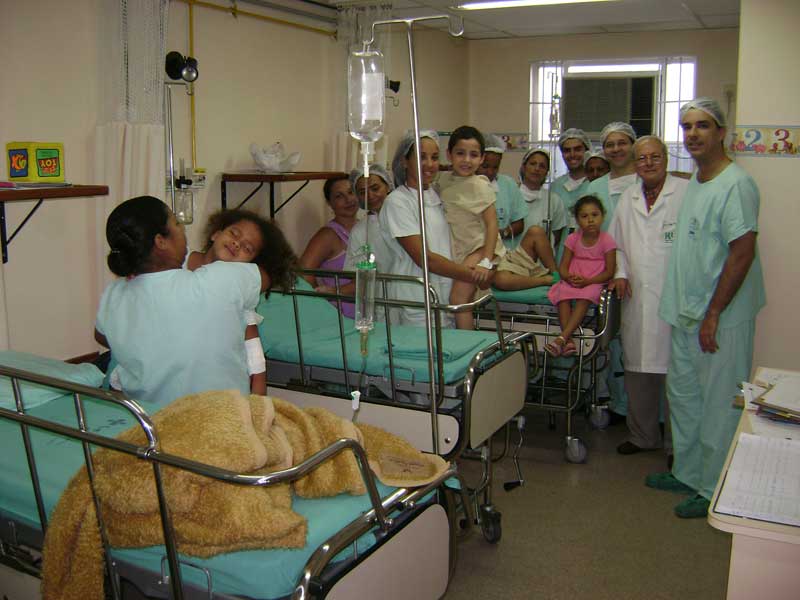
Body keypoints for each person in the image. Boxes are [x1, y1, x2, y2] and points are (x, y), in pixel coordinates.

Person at [650, 98, 765, 519]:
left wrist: (714, 312)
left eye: (702, 125)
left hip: (721, 316)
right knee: (684, 398)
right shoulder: (698, 181)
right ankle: (688, 472)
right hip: (687, 310)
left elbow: (742, 251)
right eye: (686, 126)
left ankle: (714, 486)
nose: (693, 134)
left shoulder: (737, 184)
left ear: (721, 132)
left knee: (718, 403)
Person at [95, 196, 269, 406]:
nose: (183, 229)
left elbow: (101, 335)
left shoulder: (114, 293)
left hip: (148, 417)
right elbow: (265, 277)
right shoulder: (222, 279)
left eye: (247, 248)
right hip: (218, 415)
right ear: (161, 241)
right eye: (177, 223)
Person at [607, 135, 688, 457]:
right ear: (635, 163)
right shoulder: (627, 199)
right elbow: (616, 245)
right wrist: (620, 273)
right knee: (638, 370)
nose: (649, 163)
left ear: (666, 159)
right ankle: (643, 436)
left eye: (655, 156)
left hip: (676, 296)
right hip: (637, 296)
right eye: (642, 158)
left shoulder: (685, 193)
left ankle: (677, 446)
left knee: (678, 376)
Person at [379, 130, 493, 327]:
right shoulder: (398, 202)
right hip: (417, 298)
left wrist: (484, 261)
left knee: (452, 344)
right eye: (421, 157)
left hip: (446, 293)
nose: (429, 164)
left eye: (434, 157)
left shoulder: (440, 194)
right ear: (404, 161)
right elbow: (425, 258)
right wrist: (474, 275)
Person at [187, 208, 297, 395]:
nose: (236, 244)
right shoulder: (178, 262)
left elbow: (251, 341)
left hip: (216, 380)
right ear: (215, 234)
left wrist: (259, 389)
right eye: (234, 233)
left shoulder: (237, 288)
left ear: (250, 266)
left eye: (247, 248)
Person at [437, 125, 506, 329]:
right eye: (460, 153)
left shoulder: (480, 185)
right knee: (462, 300)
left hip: (479, 248)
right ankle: (468, 337)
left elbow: (492, 224)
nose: (466, 160)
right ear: (449, 155)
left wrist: (486, 260)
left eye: (473, 155)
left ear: (482, 158)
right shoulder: (444, 181)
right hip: (461, 249)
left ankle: (466, 342)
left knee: (458, 299)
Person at [545, 196, 616, 357]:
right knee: (562, 294)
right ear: (577, 220)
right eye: (584, 216)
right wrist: (568, 278)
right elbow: (563, 267)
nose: (590, 220)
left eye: (594, 215)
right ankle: (569, 342)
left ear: (602, 216)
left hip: (595, 281)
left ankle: (562, 338)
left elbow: (609, 272)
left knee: (586, 296)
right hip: (573, 280)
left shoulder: (607, 241)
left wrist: (588, 281)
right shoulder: (572, 239)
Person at [299, 175, 359, 317]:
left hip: (365, 313)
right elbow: (303, 275)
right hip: (340, 317)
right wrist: (324, 306)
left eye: (351, 192)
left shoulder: (365, 227)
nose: (348, 200)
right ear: (329, 203)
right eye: (339, 196)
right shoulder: (328, 235)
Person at [476, 134, 528, 248]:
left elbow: (519, 224)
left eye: (495, 167)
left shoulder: (507, 184)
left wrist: (501, 233)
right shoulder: (467, 186)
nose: (490, 172)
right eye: (485, 166)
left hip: (504, 250)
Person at [343, 163, 394, 273]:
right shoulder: (360, 231)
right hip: (381, 284)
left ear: (388, 186)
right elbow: (353, 271)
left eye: (375, 188)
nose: (370, 196)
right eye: (363, 192)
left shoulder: (406, 217)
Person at [586, 122, 638, 227]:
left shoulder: (646, 182)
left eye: (622, 143)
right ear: (604, 150)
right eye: (610, 145)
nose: (616, 149)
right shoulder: (594, 188)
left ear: (633, 146)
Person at [519, 148, 568, 250]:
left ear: (546, 172)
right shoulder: (511, 195)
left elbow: (556, 235)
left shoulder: (554, 200)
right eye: (533, 164)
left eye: (542, 166)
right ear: (524, 167)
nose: (537, 169)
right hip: (513, 256)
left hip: (542, 258)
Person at [493, 225, 559, 291]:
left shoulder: (491, 222)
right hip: (495, 266)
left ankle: (556, 275)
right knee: (502, 279)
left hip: (507, 257)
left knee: (535, 231)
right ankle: (544, 280)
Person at [552, 128, 591, 223]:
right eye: (567, 150)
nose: (572, 154)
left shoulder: (595, 183)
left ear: (587, 151)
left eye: (577, 149)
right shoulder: (555, 186)